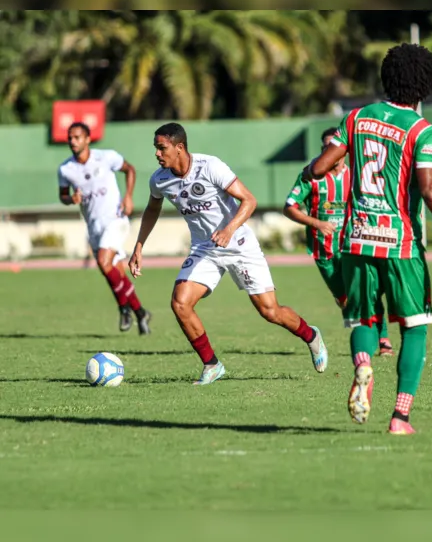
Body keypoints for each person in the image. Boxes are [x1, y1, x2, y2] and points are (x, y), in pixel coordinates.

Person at [302, 43, 432, 435]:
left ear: (387, 77)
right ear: (425, 86)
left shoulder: (357, 117)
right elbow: (431, 191)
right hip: (400, 242)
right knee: (414, 327)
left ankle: (363, 365)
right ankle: (400, 418)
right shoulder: (423, 131)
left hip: (354, 239)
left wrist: (320, 165)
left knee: (364, 320)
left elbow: (320, 168)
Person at [128, 122, 327, 385]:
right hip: (204, 249)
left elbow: (249, 200)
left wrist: (228, 230)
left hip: (239, 244)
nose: (157, 153)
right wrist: (139, 246)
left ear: (180, 147)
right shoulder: (160, 180)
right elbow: (152, 210)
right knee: (180, 303)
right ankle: (212, 364)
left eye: (161, 148)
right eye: (156, 148)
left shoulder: (210, 166)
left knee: (270, 311)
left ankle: (311, 336)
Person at [284, 126, 393, 356]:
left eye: (334, 146)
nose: (330, 151)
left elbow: (372, 203)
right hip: (324, 253)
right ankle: (365, 335)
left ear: (344, 149)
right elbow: (289, 208)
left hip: (353, 245)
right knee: (345, 301)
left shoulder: (357, 175)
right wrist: (316, 223)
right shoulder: (311, 176)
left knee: (368, 290)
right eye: (326, 147)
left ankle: (382, 339)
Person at [58, 122, 151, 334]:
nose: (72, 141)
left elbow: (130, 170)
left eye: (77, 137)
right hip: (94, 226)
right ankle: (140, 312)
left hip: (115, 219)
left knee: (103, 261)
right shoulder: (66, 169)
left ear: (88, 139)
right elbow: (62, 195)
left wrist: (128, 196)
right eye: (70, 138)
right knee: (112, 271)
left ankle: (123, 308)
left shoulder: (106, 157)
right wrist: (69, 198)